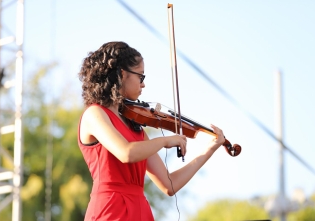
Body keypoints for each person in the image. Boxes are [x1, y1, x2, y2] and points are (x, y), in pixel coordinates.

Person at [77, 41, 225, 221]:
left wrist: (209, 149)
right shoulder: (95, 114)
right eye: (140, 77)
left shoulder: (134, 127)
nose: (143, 84)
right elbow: (126, 153)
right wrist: (165, 141)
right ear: (122, 74)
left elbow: (169, 185)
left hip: (140, 212)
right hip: (110, 210)